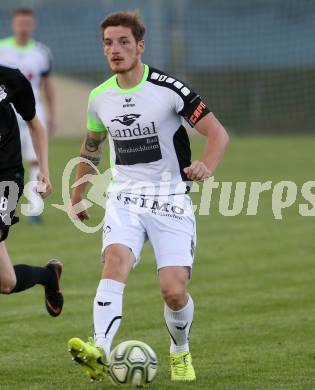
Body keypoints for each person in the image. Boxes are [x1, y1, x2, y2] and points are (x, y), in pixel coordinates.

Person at [67, 11, 229, 382]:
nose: (115, 49)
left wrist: (206, 165)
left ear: (140, 46)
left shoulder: (170, 90)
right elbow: (91, 147)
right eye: (108, 43)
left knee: (173, 291)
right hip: (125, 199)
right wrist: (78, 193)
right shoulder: (99, 97)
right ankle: (100, 351)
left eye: (123, 42)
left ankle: (180, 350)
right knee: (115, 262)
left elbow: (218, 133)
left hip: (170, 201)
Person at [0, 63, 63, 317]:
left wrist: (43, 171)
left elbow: (35, 125)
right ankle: (49, 276)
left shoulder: (11, 79)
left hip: (7, 178)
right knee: (7, 282)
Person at [0, 7, 56, 223]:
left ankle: (34, 207)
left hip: (30, 108)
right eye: (20, 23)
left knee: (34, 159)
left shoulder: (41, 52)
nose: (24, 27)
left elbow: (47, 84)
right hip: (4, 109)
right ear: (13, 24)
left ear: (33, 26)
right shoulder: (2, 48)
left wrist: (51, 113)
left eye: (27, 23)